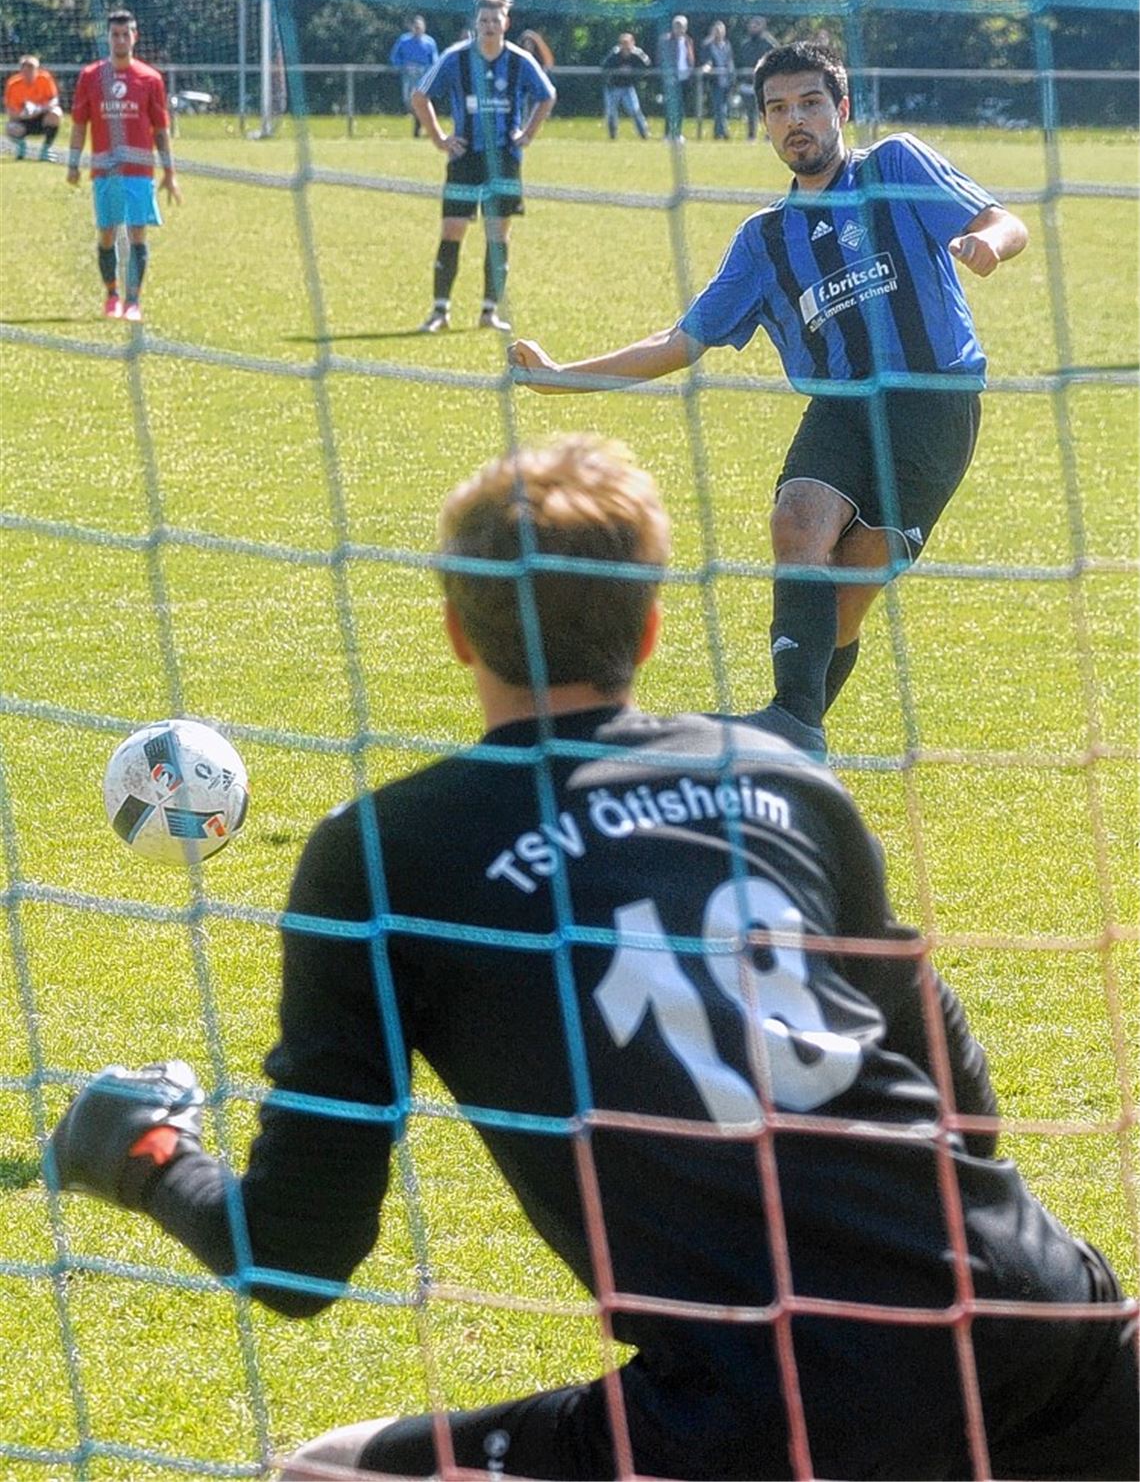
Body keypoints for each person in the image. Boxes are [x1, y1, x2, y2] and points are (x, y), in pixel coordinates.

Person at [45, 433, 1137, 1481]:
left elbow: (297, 1254)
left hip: (767, 1406)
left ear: (458, 633)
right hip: (1027, 1307)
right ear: (653, 627)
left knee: (327, 1472)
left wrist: (142, 1154)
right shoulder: (781, 780)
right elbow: (965, 1099)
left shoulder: (381, 856)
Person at [508, 42, 1030, 755]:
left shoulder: (895, 166)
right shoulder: (763, 240)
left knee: (847, 597)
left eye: (811, 103)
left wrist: (989, 246)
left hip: (930, 407)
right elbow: (679, 341)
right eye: (779, 109)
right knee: (798, 520)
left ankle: (791, 738)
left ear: (841, 108)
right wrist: (564, 377)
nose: (796, 121)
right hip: (841, 409)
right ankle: (792, 724)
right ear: (763, 123)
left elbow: (1004, 220)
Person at [410, 0, 555, 335]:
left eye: (495, 19)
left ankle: (489, 312)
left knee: (498, 233)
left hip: (503, 159)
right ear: (476, 23)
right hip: (465, 158)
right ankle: (440, 311)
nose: (489, 25)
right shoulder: (456, 58)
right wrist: (439, 138)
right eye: (484, 20)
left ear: (506, 22)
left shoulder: (520, 61)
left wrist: (528, 133)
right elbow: (420, 96)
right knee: (452, 229)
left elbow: (547, 95)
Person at [66, 8, 181, 323]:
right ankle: (112, 295)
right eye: (115, 34)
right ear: (108, 38)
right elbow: (79, 124)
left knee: (137, 236)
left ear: (135, 36)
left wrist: (170, 172)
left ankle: (133, 301)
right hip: (105, 169)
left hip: (139, 171)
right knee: (106, 234)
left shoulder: (150, 78)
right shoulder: (90, 76)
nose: (120, 39)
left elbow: (160, 129)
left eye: (125, 33)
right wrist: (73, 164)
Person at [4, 54, 62, 160]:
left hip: (42, 118)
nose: (28, 74)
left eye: (32, 70)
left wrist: (39, 109)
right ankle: (22, 149)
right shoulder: (13, 84)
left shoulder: (45, 78)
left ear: (37, 70)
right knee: (10, 128)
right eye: (25, 71)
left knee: (56, 113)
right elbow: (11, 111)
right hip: (23, 120)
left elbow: (54, 100)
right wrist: (23, 114)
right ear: (21, 71)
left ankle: (45, 150)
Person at [389, 15, 438, 138]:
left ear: (424, 27)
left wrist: (429, 70)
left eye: (420, 27)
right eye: (415, 27)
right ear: (412, 27)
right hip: (409, 78)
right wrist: (403, 67)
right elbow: (394, 57)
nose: (418, 29)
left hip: (424, 79)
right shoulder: (404, 40)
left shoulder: (429, 42)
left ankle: (420, 129)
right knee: (409, 102)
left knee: (422, 102)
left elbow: (435, 60)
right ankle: (420, 125)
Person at [600, 31, 651, 140]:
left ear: (633, 43)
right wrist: (618, 70)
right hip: (612, 87)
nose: (625, 46)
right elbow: (604, 67)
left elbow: (647, 66)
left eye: (628, 43)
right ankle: (612, 136)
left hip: (628, 87)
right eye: (623, 43)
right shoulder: (614, 54)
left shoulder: (637, 54)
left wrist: (633, 71)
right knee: (611, 112)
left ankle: (643, 135)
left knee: (635, 110)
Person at [737, 15, 777, 141]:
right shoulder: (745, 45)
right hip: (747, 84)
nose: (753, 27)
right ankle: (751, 135)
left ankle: (769, 135)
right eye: (752, 25)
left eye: (756, 25)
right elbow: (738, 63)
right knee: (750, 112)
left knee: (767, 112)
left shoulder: (770, 44)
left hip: (765, 84)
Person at [656, 13, 695, 142]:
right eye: (676, 26)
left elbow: (690, 59)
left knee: (681, 108)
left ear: (685, 28)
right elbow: (661, 59)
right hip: (671, 79)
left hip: (684, 78)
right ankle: (668, 134)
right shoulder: (665, 40)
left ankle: (677, 133)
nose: (679, 29)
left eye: (681, 26)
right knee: (671, 107)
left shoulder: (688, 40)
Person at [700, 20, 735, 140]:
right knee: (719, 108)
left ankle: (718, 132)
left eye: (721, 31)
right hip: (715, 81)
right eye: (716, 31)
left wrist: (732, 76)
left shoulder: (727, 45)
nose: (719, 33)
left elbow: (729, 61)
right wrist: (707, 68)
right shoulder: (708, 45)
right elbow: (707, 61)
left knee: (724, 108)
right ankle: (722, 132)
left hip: (727, 81)